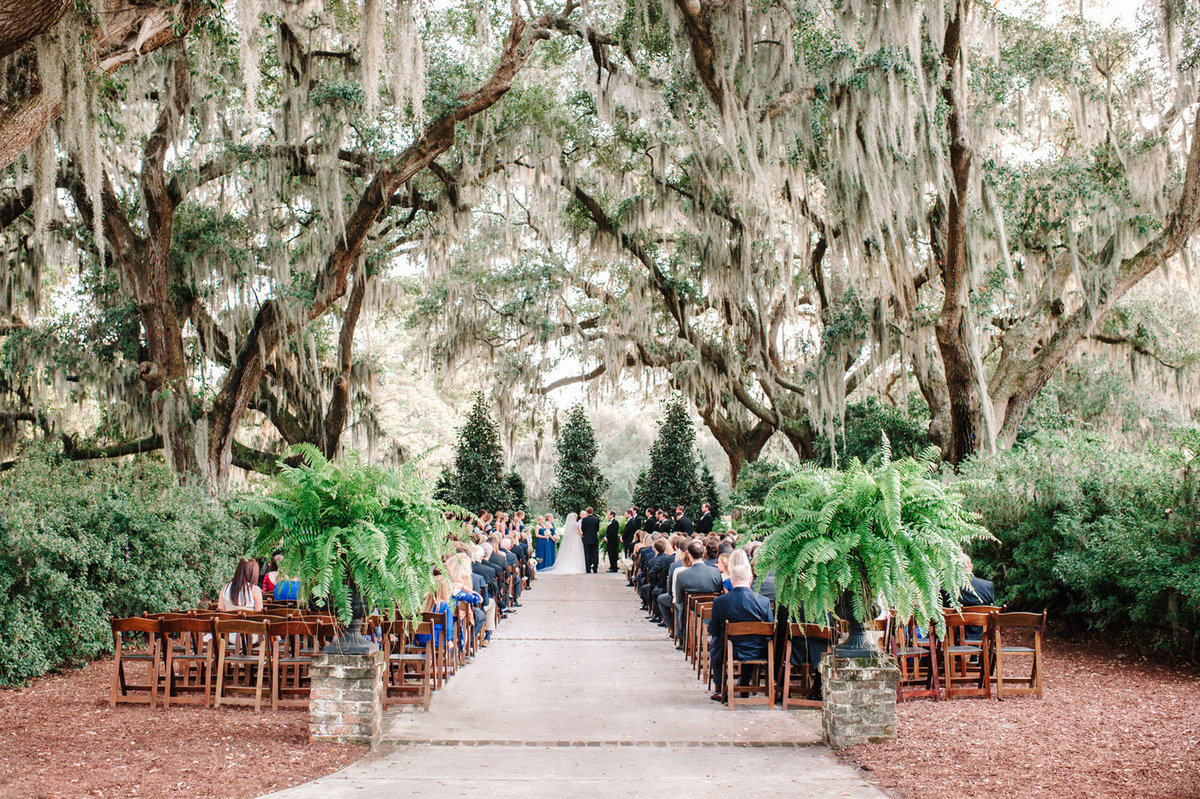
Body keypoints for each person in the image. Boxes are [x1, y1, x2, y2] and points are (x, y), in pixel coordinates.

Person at [708, 562, 773, 700]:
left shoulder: (720, 601)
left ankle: (720, 688)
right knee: (750, 640)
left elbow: (713, 629)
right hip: (756, 649)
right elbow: (770, 629)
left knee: (715, 643)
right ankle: (745, 683)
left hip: (727, 649)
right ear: (750, 579)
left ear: (731, 580)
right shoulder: (763, 601)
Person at [672, 540, 723, 643]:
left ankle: (682, 636)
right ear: (703, 553)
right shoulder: (716, 572)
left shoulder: (682, 575)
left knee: (678, 605)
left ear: (689, 555)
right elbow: (719, 591)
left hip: (691, 612)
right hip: (710, 610)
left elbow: (679, 598)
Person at [580, 507, 601, 574]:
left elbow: (583, 529)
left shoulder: (584, 520)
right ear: (592, 512)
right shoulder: (597, 519)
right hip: (594, 538)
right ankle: (595, 569)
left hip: (586, 539)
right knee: (595, 554)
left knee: (587, 554)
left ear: (587, 512)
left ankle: (588, 569)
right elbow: (597, 529)